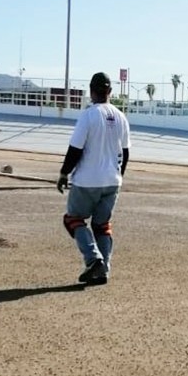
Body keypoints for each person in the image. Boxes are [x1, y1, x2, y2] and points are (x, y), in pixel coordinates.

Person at [57, 72, 130, 285]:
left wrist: (64, 173)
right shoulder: (121, 117)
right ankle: (103, 270)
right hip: (112, 181)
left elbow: (75, 149)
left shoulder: (88, 116)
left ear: (91, 91)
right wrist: (118, 177)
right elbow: (125, 153)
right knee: (102, 225)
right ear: (110, 92)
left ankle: (93, 259)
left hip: (87, 181)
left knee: (73, 219)